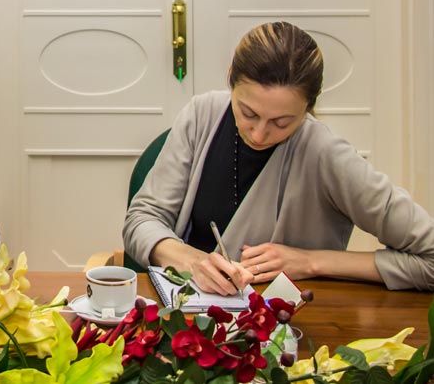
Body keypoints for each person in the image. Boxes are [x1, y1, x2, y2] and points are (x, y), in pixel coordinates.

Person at [123, 21, 434, 295]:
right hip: (187, 326)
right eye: (248, 113)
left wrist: (311, 262)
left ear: (309, 107)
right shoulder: (200, 115)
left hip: (288, 333)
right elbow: (141, 220)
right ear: (231, 78)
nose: (259, 134)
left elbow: (429, 257)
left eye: (282, 122)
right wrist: (192, 261)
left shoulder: (326, 154)